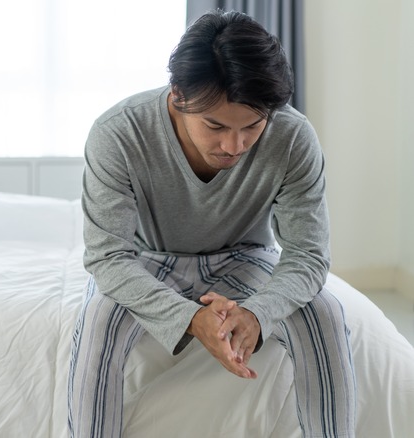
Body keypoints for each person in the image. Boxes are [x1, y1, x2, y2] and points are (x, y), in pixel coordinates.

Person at [68, 10, 355, 438]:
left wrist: (258, 313)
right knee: (98, 322)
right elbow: (108, 256)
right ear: (178, 96)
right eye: (215, 126)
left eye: (252, 127)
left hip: (245, 257)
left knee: (325, 312)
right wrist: (188, 318)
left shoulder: (294, 137)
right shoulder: (118, 133)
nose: (233, 145)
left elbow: (309, 254)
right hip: (146, 260)